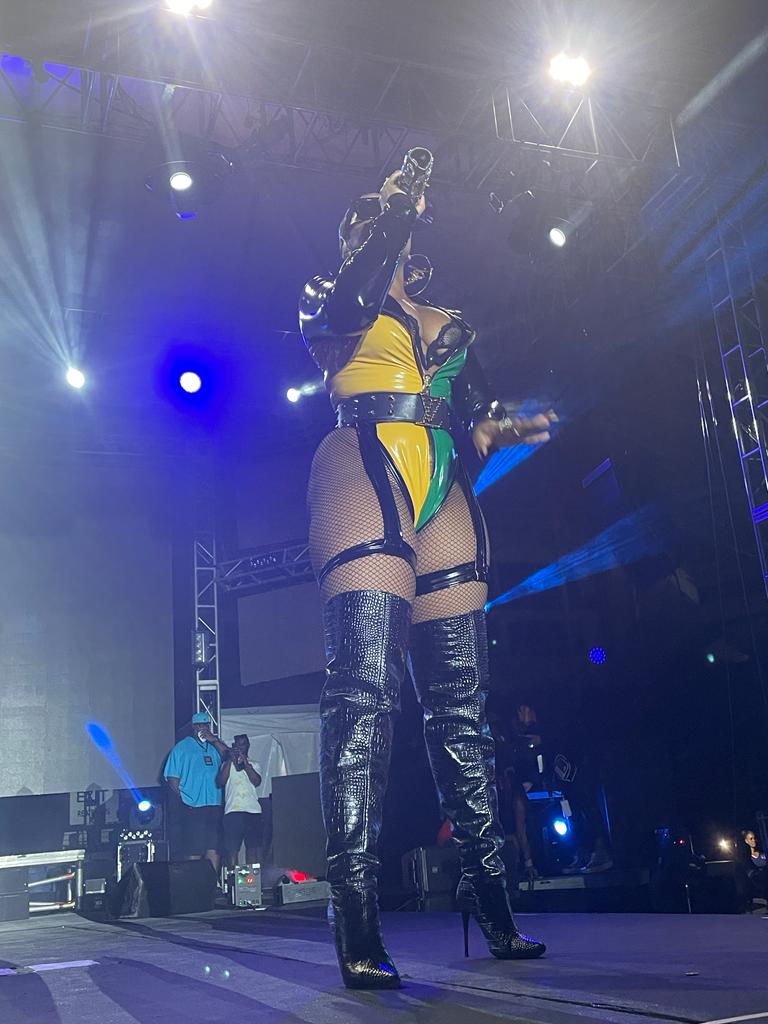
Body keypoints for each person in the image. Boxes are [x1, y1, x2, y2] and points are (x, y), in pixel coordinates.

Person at [299, 162, 555, 989]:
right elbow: (354, 303)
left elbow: (478, 416)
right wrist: (396, 210)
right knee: (364, 693)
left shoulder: (452, 321)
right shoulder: (328, 295)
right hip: (363, 459)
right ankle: (355, 913)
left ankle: (491, 898)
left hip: (442, 481)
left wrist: (515, 427)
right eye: (362, 218)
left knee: (461, 711)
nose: (371, 224)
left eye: (382, 218)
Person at [163, 712, 228, 873]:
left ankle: (212, 882)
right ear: (193, 727)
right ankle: (194, 880)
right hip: (193, 806)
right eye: (199, 725)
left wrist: (215, 740)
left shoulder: (214, 746)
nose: (202, 728)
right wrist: (184, 797)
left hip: (214, 803)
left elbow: (229, 757)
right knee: (195, 848)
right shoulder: (182, 747)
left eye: (205, 725)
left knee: (214, 847)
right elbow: (172, 778)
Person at [217, 734, 263, 868]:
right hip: (233, 811)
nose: (240, 747)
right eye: (238, 745)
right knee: (232, 850)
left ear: (248, 746)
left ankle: (251, 880)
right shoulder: (226, 765)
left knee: (252, 849)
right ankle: (234, 879)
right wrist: (230, 759)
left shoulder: (254, 764)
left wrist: (245, 763)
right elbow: (220, 782)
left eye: (243, 744)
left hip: (253, 811)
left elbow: (256, 781)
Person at [742, 829, 768, 901]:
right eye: (751, 839)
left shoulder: (763, 852)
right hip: (760, 893)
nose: (753, 840)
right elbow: (752, 875)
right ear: (746, 841)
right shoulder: (747, 858)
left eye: (754, 838)